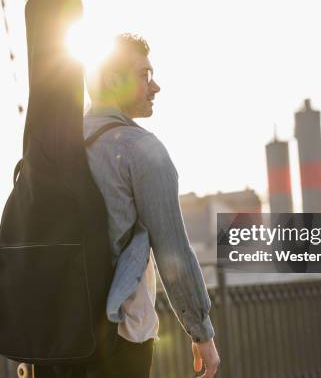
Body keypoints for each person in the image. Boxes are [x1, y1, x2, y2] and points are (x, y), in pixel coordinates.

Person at [73, 33, 219, 377]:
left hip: (58, 330)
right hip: (120, 333)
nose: (156, 87)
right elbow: (174, 252)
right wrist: (202, 334)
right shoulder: (142, 150)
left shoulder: (62, 144)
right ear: (111, 80)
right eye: (145, 75)